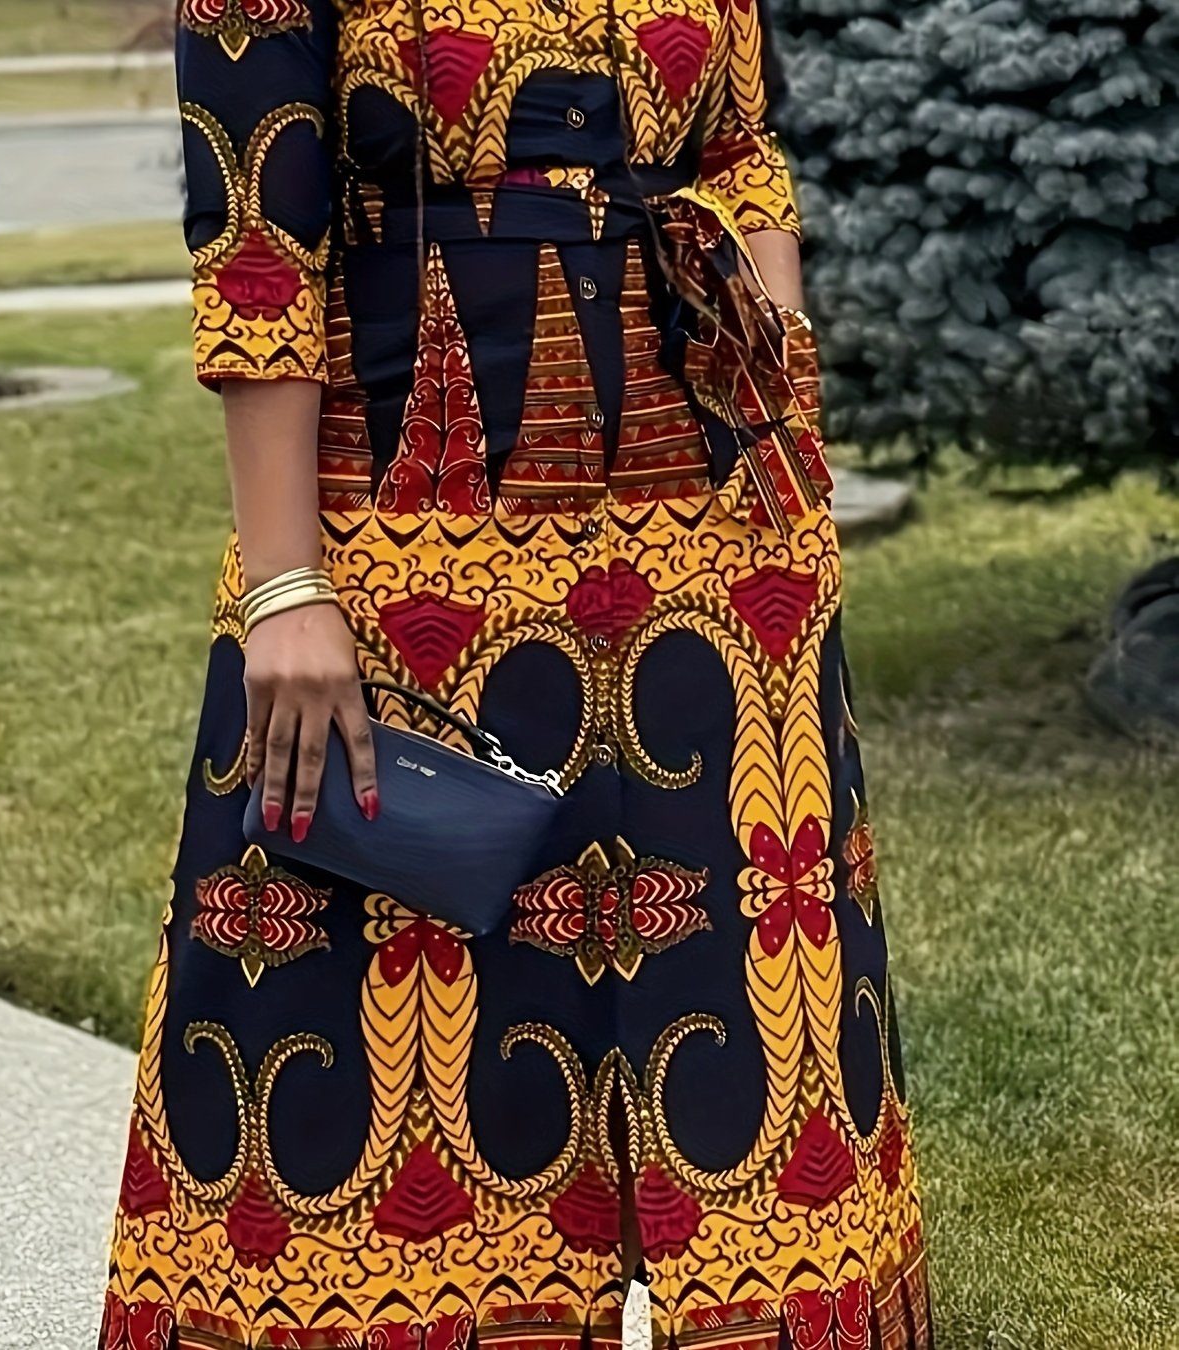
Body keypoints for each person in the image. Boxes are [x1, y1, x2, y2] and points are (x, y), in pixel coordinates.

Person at [99, 0, 934, 1346]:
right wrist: (285, 585)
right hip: (407, 541)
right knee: (394, 1012)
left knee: (745, 1030)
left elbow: (741, 148)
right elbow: (258, 247)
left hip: (708, 549)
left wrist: (779, 396)